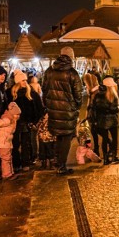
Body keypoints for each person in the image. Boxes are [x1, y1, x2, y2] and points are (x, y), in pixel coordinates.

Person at [42, 46, 83, 175]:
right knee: (66, 138)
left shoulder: (49, 71)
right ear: (71, 57)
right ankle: (61, 165)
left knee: (59, 136)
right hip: (67, 111)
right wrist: (76, 106)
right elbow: (78, 94)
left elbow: (44, 89)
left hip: (53, 110)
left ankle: (57, 161)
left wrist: (48, 105)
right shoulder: (72, 73)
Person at [9, 69, 44, 171]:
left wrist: (34, 121)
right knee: (15, 143)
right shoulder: (11, 93)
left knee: (26, 143)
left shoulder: (31, 92)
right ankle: (16, 163)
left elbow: (39, 108)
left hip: (27, 123)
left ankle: (25, 162)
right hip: (15, 122)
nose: (25, 82)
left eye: (25, 80)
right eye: (22, 80)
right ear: (17, 82)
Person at [92, 76, 119, 165]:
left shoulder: (98, 95)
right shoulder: (113, 95)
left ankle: (105, 159)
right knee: (114, 139)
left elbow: (95, 108)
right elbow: (115, 109)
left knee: (104, 139)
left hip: (101, 121)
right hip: (112, 120)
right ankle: (114, 156)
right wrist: (113, 110)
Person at [83, 71, 102, 155]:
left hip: (96, 116)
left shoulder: (96, 93)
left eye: (86, 84)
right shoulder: (91, 92)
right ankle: (96, 149)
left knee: (98, 132)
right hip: (92, 116)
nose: (85, 85)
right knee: (94, 133)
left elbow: (93, 106)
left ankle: (110, 145)